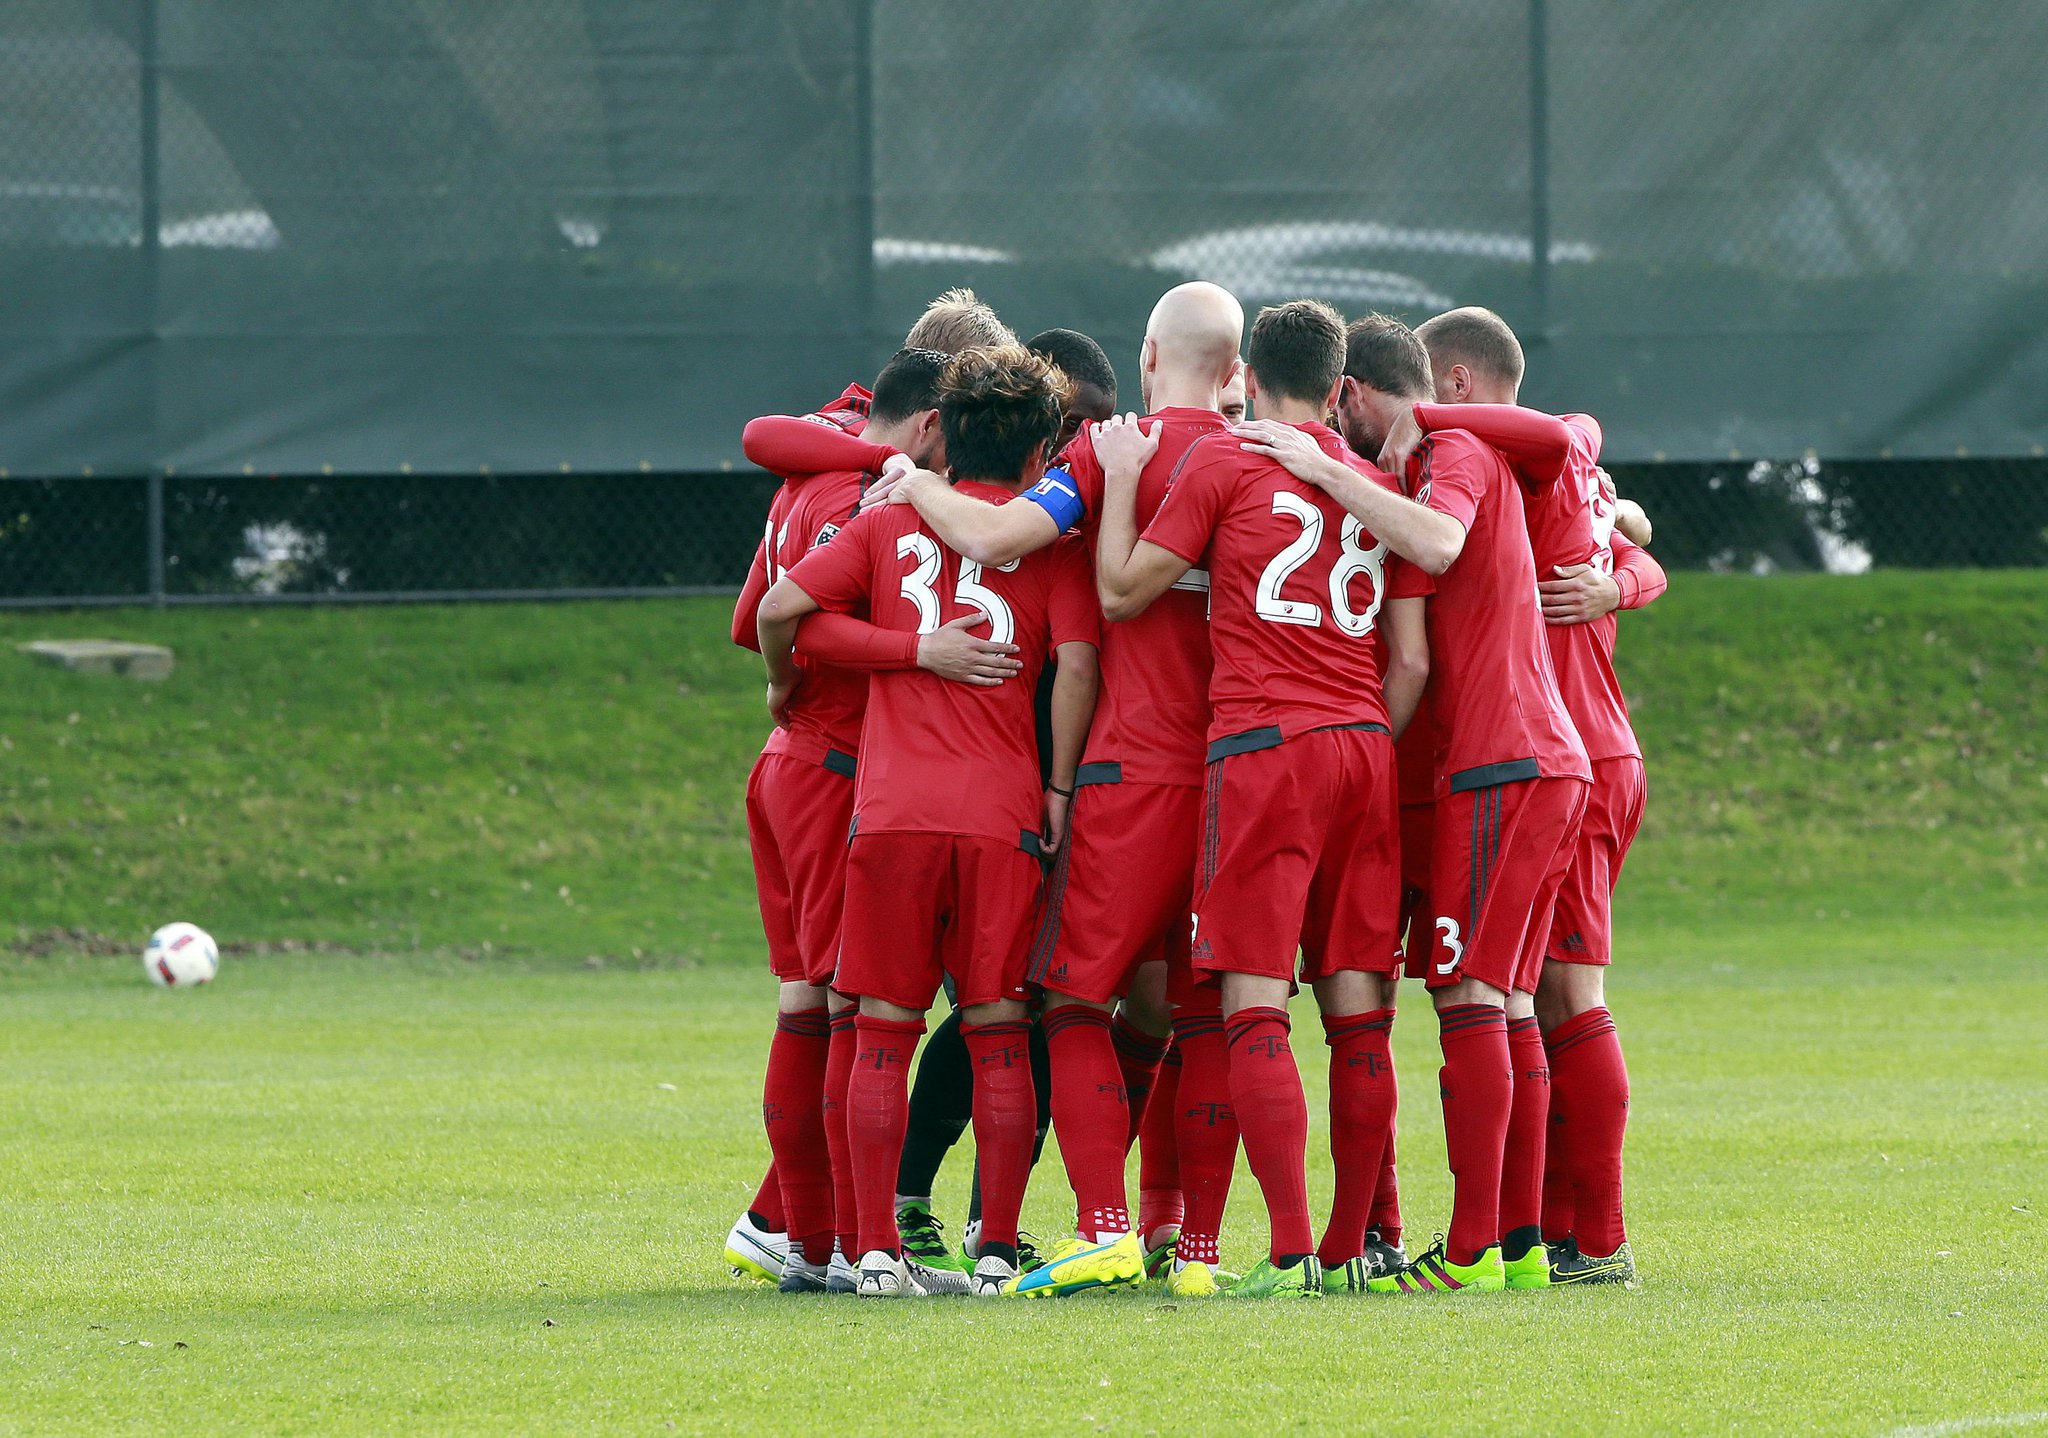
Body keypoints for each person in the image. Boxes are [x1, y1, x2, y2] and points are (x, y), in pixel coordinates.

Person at [1238, 312, 1590, 1296]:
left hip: (1498, 761)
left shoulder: (1456, 446)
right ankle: (1516, 1244)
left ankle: (1472, 1247)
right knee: (1508, 1002)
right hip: (1536, 758)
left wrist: (1329, 475)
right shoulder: (1457, 444)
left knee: (1471, 1001)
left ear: (1347, 394)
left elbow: (1434, 543)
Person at [1093, 299, 1430, 1299]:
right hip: (1364, 745)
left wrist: (1116, 484)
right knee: (1359, 1012)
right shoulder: (1377, 485)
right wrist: (1360, 734)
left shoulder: (1224, 463)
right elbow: (1407, 662)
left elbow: (1119, 592)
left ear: (1246, 378)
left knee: (1249, 1002)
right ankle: (1349, 1247)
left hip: (1260, 748)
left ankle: (1285, 1250)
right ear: (1338, 389)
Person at [754, 345, 1101, 1298]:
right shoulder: (1051, 544)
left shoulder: (891, 519)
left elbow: (785, 609)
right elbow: (1076, 666)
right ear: (1041, 453)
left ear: (945, 435)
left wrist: (826, 673)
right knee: (998, 1029)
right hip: (1001, 817)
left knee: (879, 1032)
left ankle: (870, 1254)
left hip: (893, 813)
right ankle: (994, 1253)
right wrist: (1059, 788)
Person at [1389, 306, 1670, 1284]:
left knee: (1559, 993)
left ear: (1454, 384)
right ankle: (1548, 1230)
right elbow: (1596, 460)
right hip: (1590, 745)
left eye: (1428, 391)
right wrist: (1627, 567)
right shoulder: (1563, 466)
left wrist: (1413, 421)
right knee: (1535, 994)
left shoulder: (1523, 453)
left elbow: (1564, 432)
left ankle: (1595, 1239)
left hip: (1569, 748)